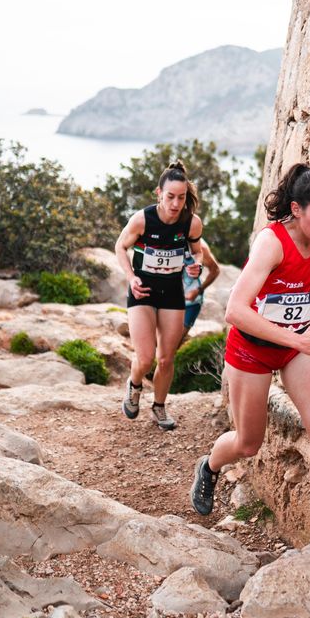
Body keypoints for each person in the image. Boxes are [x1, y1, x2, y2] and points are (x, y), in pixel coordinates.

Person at [189, 163, 310, 558]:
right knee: (248, 443)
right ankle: (210, 466)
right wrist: (298, 339)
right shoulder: (271, 243)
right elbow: (235, 310)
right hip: (251, 349)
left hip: (293, 347)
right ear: (297, 209)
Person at [114, 159, 203, 431]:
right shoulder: (142, 219)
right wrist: (131, 277)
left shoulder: (191, 223)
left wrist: (196, 264)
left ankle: (159, 406)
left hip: (172, 293)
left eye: (181, 197)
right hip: (143, 292)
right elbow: (120, 247)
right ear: (159, 193)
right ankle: (134, 384)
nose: (176, 204)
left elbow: (197, 251)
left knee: (166, 358)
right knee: (145, 359)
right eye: (170, 197)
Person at [177, 240, 221, 351]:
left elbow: (215, 270)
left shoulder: (200, 246)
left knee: (172, 346)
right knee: (158, 343)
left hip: (190, 303)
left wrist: (198, 290)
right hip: (167, 300)